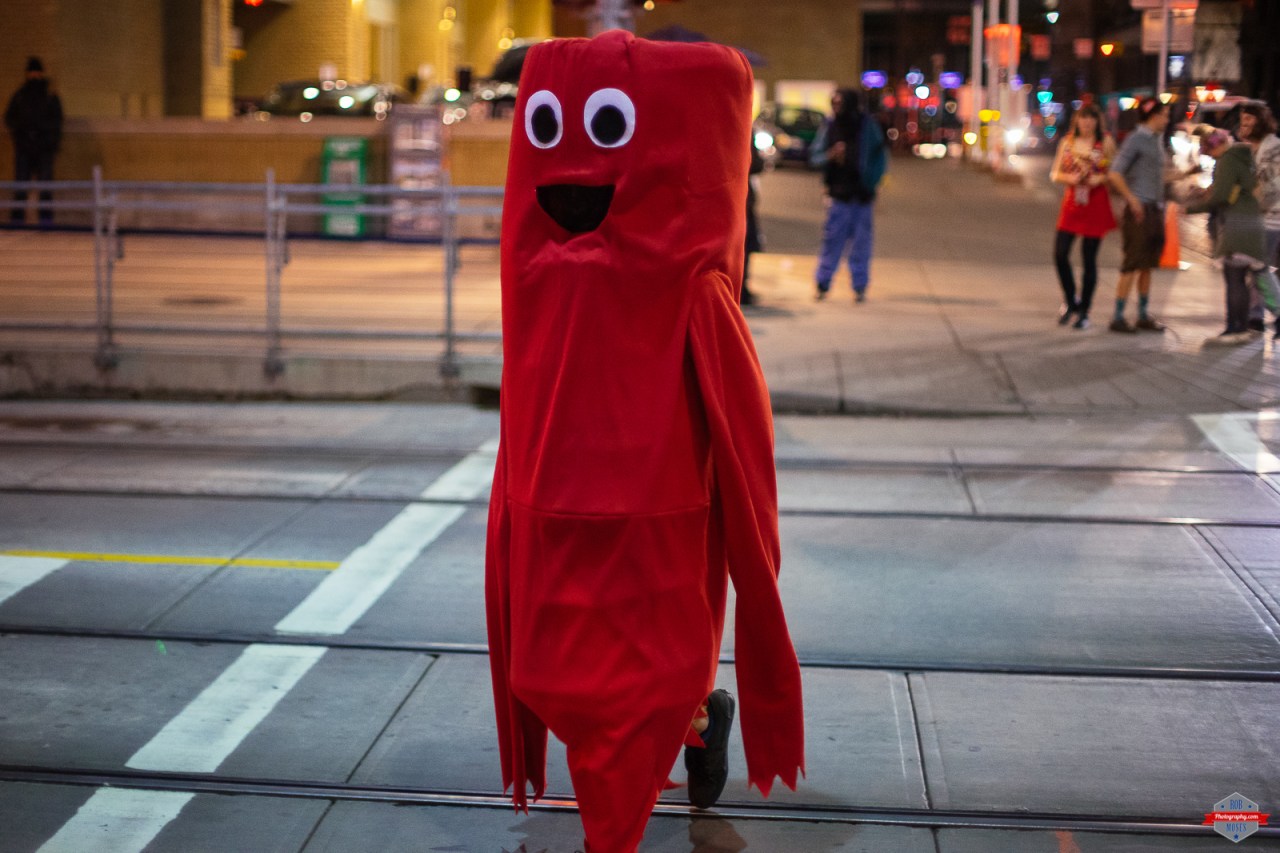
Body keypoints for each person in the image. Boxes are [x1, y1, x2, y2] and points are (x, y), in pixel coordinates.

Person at [486, 31, 804, 853]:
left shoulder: (691, 286)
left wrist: (753, 558)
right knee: (552, 676)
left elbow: (742, 429)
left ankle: (634, 804)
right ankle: (699, 721)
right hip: (553, 503)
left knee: (635, 689)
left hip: (655, 511)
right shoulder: (541, 265)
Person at [1184, 128, 1280, 345]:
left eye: (1209, 152)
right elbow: (1235, 189)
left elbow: (1220, 197)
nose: (1211, 157)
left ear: (1214, 146)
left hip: (1237, 224)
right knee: (1249, 274)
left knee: (1234, 277)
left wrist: (1189, 209)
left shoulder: (1227, 160)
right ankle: (1242, 326)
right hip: (1251, 221)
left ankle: (1234, 328)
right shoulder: (1243, 157)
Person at [810, 87, 886, 303]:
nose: (835, 108)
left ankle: (860, 286)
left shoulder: (867, 126)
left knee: (861, 244)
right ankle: (823, 283)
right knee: (832, 241)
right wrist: (830, 155)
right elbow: (814, 157)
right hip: (838, 194)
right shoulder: (830, 126)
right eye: (833, 103)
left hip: (862, 196)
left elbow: (880, 157)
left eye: (839, 103)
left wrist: (871, 183)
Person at [1049, 103, 1117, 330]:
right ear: (1076, 120)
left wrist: (1102, 179)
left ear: (1098, 121)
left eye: (1092, 118)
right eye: (1083, 118)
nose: (1087, 122)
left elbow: (1115, 172)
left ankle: (1084, 310)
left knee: (1089, 259)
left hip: (1095, 204)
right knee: (1060, 254)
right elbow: (1055, 173)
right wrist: (1069, 178)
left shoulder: (1105, 143)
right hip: (1073, 204)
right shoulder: (1067, 142)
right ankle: (1071, 300)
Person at [1106, 97, 1170, 333]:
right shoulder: (1136, 139)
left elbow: (1156, 177)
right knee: (1132, 262)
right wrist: (1132, 199)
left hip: (1154, 209)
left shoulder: (1155, 141)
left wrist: (1186, 174)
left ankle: (1143, 314)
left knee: (1147, 263)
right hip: (1139, 211)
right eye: (1165, 115)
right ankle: (1118, 316)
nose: (1167, 119)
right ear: (1154, 116)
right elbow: (1114, 174)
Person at [5, 56, 63, 227]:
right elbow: (10, 118)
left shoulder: (49, 96)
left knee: (45, 188)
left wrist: (49, 140)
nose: (34, 75)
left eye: (36, 72)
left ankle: (46, 221)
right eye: (31, 72)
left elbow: (57, 122)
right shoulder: (20, 95)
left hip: (44, 148)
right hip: (24, 148)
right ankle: (17, 220)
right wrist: (22, 131)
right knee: (21, 186)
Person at [1237, 104, 1280, 330]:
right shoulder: (1253, 148)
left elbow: (1270, 185)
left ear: (1260, 121)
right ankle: (1255, 316)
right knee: (1257, 266)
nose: (1243, 124)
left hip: (1271, 217)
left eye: (1248, 119)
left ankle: (1268, 312)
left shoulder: (1272, 147)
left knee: (1259, 266)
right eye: (1242, 119)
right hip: (1261, 216)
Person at [742, 136, 765, 306]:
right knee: (745, 244)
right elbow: (757, 163)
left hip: (741, 198)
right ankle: (742, 287)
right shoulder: (746, 131)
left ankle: (742, 287)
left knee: (743, 244)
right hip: (742, 198)